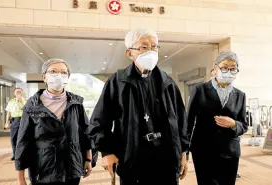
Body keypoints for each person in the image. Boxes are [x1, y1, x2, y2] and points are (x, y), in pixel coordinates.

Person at [88, 27, 189, 185]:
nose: (151, 51)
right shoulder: (118, 82)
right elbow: (99, 122)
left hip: (166, 161)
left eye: (154, 46)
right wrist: (107, 151)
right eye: (144, 47)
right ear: (130, 53)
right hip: (132, 160)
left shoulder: (168, 83)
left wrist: (183, 152)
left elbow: (182, 122)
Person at [15, 58, 92, 185]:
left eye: (63, 72)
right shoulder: (32, 105)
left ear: (67, 77)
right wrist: (20, 177)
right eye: (53, 71)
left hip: (71, 167)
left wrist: (88, 159)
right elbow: (23, 141)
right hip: (43, 169)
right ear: (44, 77)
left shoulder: (76, 103)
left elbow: (85, 133)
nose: (58, 76)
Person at [187, 51, 248, 185]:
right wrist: (184, 151)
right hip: (204, 150)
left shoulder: (240, 95)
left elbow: (244, 124)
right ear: (215, 70)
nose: (228, 71)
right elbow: (189, 121)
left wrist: (233, 124)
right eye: (224, 67)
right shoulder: (199, 90)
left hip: (230, 151)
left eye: (233, 68)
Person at [5, 88, 27, 160]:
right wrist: (7, 122)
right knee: (13, 138)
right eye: (17, 92)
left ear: (22, 93)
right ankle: (15, 154)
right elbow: (8, 112)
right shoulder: (11, 102)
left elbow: (27, 108)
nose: (18, 93)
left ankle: (23, 154)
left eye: (20, 91)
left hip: (23, 121)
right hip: (14, 121)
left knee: (23, 138)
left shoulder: (26, 100)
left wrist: (21, 100)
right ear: (14, 93)